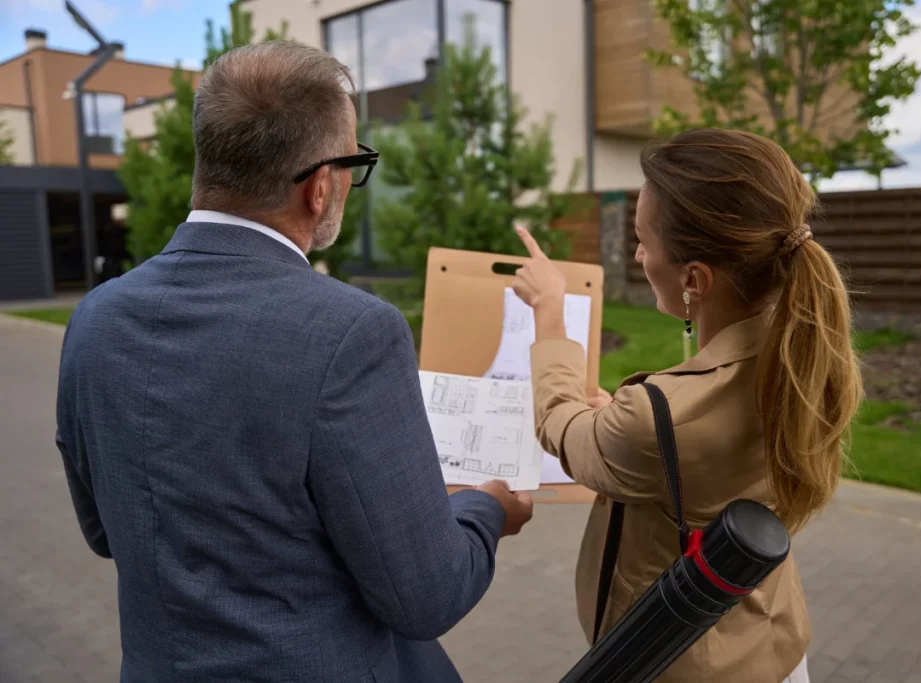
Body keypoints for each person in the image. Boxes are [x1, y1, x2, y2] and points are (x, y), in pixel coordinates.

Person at [55, 41, 532, 683]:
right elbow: (427, 595)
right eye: (355, 164)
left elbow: (106, 533)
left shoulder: (93, 319)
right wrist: (486, 509)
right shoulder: (352, 333)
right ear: (319, 186)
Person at [511, 128, 863, 682]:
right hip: (773, 645)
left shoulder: (660, 417)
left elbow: (561, 425)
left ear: (695, 279)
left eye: (643, 240)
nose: (638, 254)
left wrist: (549, 310)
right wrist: (623, 422)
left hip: (681, 663)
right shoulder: (804, 352)